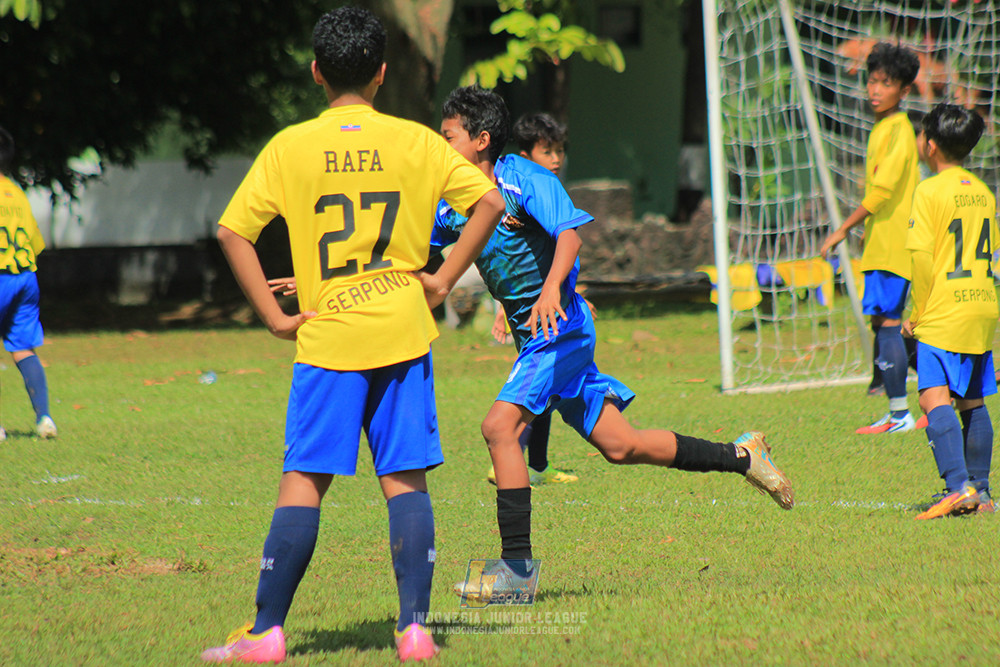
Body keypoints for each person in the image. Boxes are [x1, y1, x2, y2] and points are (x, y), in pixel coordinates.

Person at [200, 8, 504, 664]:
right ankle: (415, 628)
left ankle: (267, 631)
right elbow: (490, 203)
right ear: (382, 72)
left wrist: (276, 316)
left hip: (328, 339)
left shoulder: (291, 148)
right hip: (401, 333)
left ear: (315, 72)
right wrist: (443, 278)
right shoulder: (416, 142)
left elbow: (232, 232)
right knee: (406, 480)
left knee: (303, 481)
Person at [426, 86, 793, 600]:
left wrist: (554, 287)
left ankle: (514, 575)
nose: (439, 147)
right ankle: (743, 455)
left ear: (481, 140)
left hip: (562, 331)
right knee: (623, 446)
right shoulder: (454, 201)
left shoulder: (523, 177)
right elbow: (423, 263)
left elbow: (571, 237)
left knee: (498, 428)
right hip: (538, 337)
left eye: (448, 137)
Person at [820, 42, 921, 434]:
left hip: (895, 243)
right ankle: (908, 405)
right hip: (881, 242)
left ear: (904, 90)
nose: (875, 90)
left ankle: (900, 414)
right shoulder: (883, 127)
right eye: (872, 81)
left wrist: (843, 228)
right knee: (887, 321)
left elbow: (882, 192)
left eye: (886, 83)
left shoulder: (899, 129)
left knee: (890, 324)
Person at [903, 104, 997, 519]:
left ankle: (958, 487)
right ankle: (983, 491)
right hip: (981, 304)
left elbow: (922, 260)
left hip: (943, 308)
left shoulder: (929, 191)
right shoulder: (982, 191)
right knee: (973, 400)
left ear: (930, 144)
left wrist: (917, 312)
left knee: (932, 397)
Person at [486, 112, 577, 487]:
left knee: (548, 389)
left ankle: (537, 467)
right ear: (526, 155)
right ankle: (511, 455)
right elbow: (505, 258)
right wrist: (500, 311)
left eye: (559, 151)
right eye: (547, 151)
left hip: (555, 307)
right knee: (539, 390)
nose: (556, 159)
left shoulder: (544, 191)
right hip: (542, 313)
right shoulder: (525, 194)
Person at [0, 126, 57, 442]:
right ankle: (44, 418)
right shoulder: (15, 192)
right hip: (25, 278)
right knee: (22, 347)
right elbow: (36, 243)